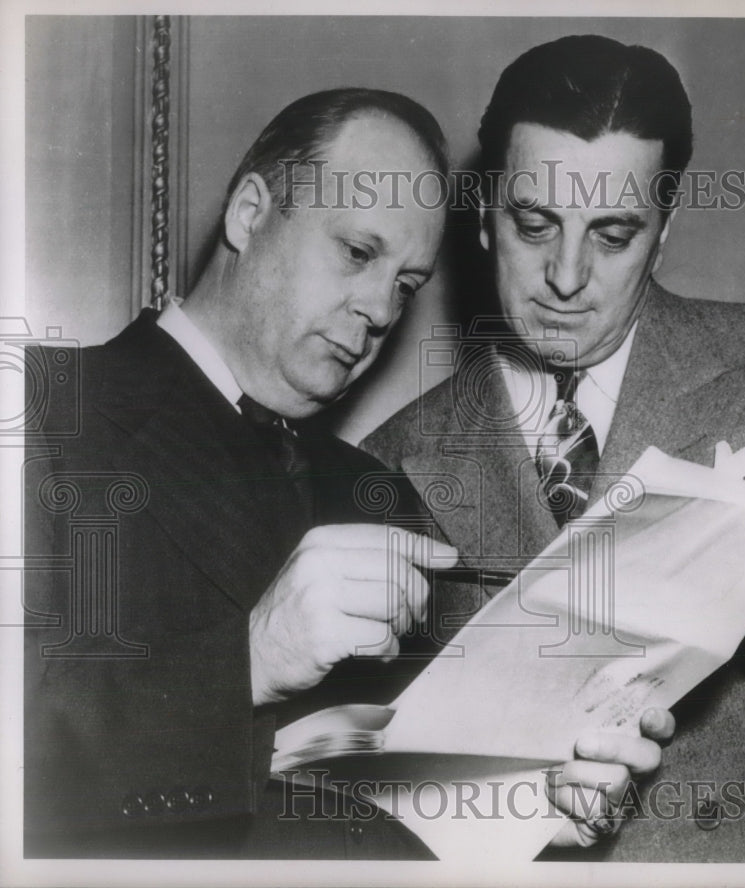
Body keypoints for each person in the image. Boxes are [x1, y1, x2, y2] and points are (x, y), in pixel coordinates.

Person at [362, 35, 745, 861]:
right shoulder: (387, 461)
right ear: (485, 217)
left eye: (613, 235)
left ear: (664, 232)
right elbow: (385, 796)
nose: (567, 277)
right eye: (535, 225)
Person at [21, 88, 459, 859]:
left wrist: (545, 793)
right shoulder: (39, 415)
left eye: (406, 285)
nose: (381, 310)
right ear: (250, 214)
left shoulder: (382, 495)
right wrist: (251, 660)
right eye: (358, 253)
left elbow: (431, 789)